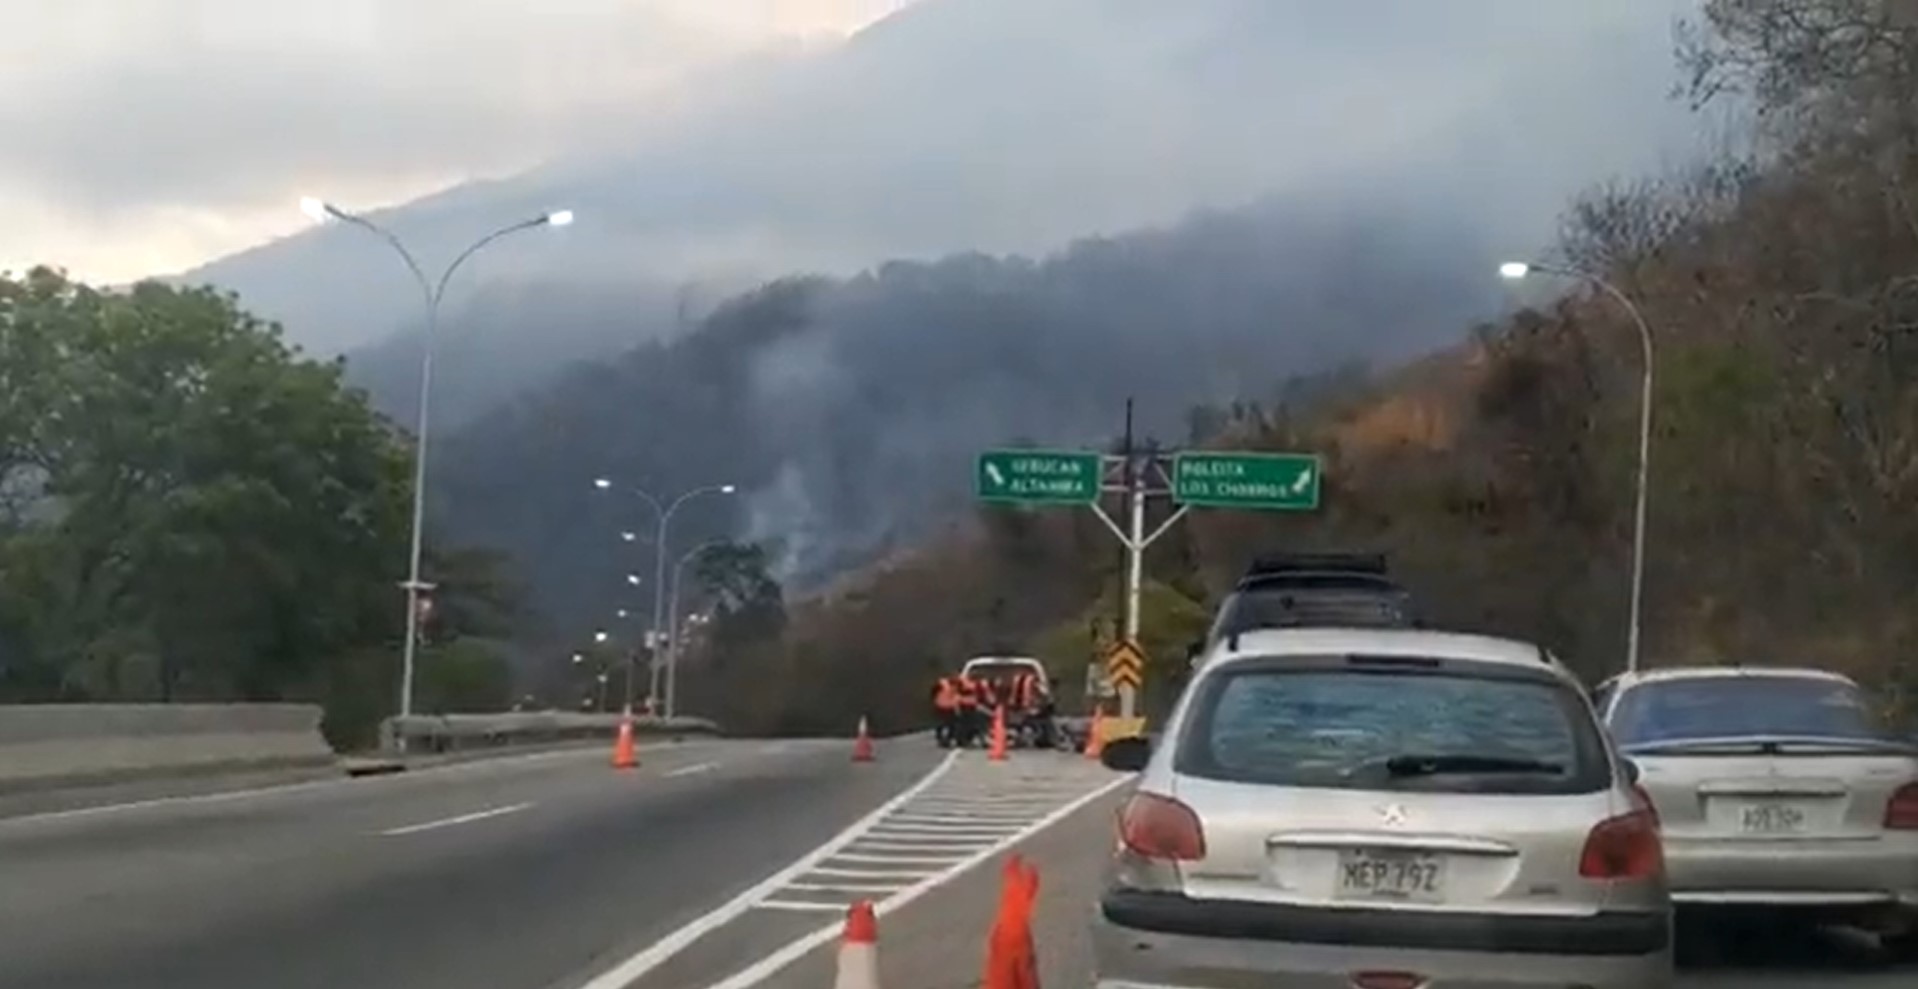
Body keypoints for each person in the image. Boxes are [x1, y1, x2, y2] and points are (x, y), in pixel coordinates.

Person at [931, 675, 961, 748]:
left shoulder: (957, 687)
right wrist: (935, 701)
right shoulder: (942, 684)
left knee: (952, 725)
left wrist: (956, 708)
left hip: (949, 707)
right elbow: (933, 692)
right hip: (941, 706)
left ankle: (947, 739)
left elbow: (955, 698)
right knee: (942, 723)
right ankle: (940, 738)